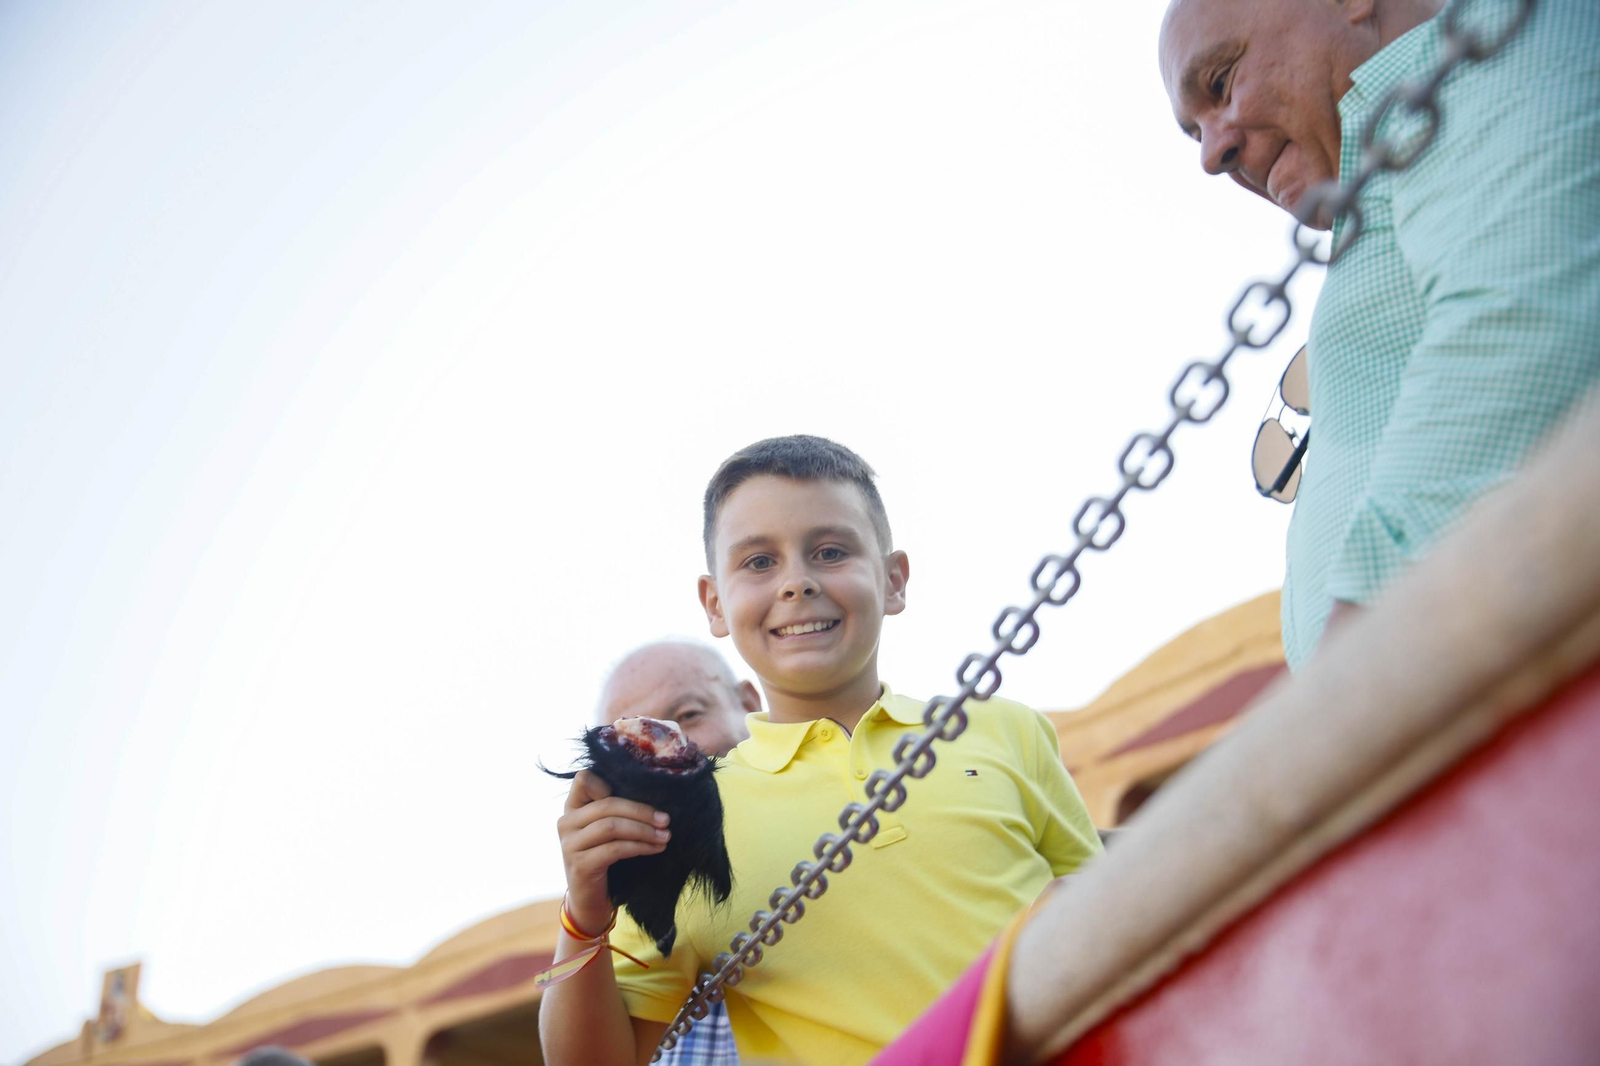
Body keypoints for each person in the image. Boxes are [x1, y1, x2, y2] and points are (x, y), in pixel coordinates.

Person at [539, 435, 1102, 1066]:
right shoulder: (685, 826)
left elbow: (1107, 917)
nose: (797, 583)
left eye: (830, 552)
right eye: (758, 563)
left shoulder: (1007, 729)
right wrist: (584, 917)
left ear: (893, 581)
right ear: (715, 603)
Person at [1159, 0, 1600, 668]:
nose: (1212, 155)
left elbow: (1516, 334)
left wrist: (1344, 684)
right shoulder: (1404, 163)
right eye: (1195, 133)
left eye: (1220, 83)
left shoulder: (1490, 50)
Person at [592, 640, 760, 1065]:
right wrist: (583, 911)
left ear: (748, 703)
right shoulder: (634, 916)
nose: (667, 751)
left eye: (687, 716)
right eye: (632, 743)